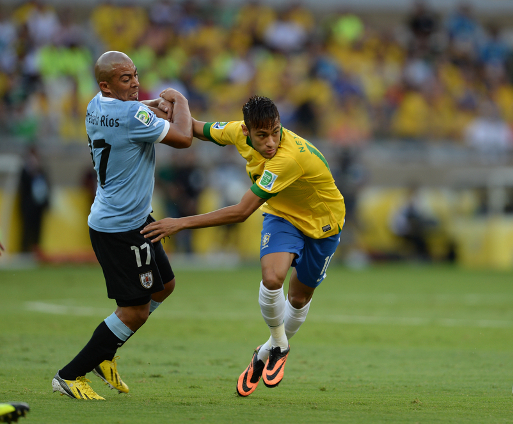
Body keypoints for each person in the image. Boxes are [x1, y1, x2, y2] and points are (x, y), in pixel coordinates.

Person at [142, 95, 346, 397]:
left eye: (275, 131)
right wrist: (173, 109)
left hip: (323, 224)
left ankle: (265, 353)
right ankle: (280, 346)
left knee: (299, 298)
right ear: (247, 131)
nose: (270, 142)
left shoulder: (287, 159)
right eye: (262, 135)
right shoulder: (236, 131)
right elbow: (195, 128)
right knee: (272, 278)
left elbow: (241, 212)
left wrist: (180, 222)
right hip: (282, 216)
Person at [51, 51, 193, 400]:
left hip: (129, 217)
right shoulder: (131, 114)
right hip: (120, 226)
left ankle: (107, 351)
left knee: (165, 285)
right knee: (135, 310)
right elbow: (184, 138)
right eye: (125, 79)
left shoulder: (95, 105)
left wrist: (153, 103)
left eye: (135, 75)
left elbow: (138, 112)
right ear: (106, 85)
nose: (135, 83)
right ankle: (69, 375)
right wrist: (180, 99)